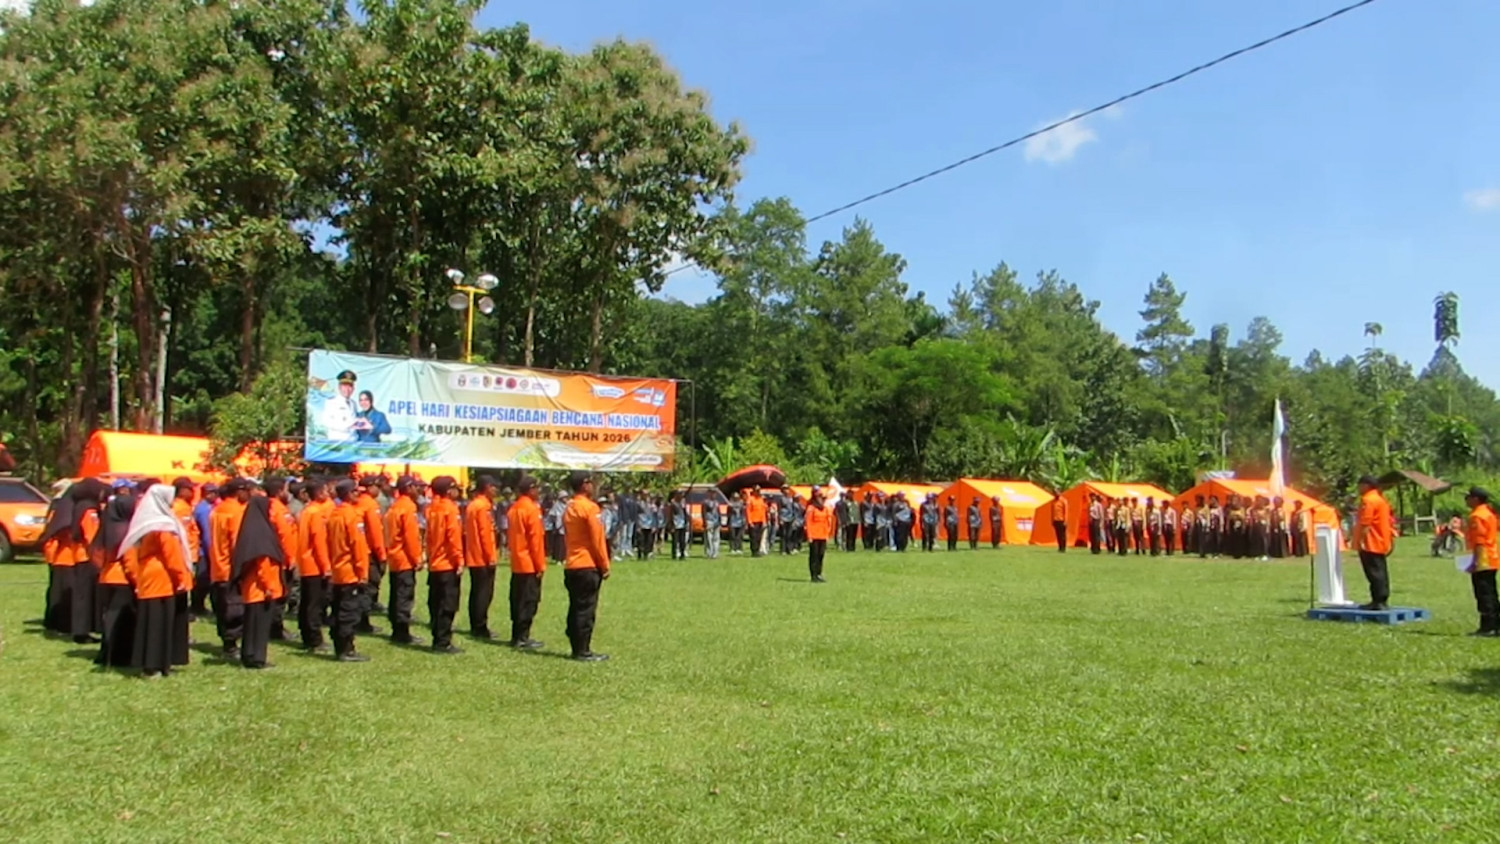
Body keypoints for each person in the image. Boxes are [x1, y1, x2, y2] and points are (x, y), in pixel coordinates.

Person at [118, 484, 194, 678]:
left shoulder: (145, 522)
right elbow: (172, 555)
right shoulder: (163, 525)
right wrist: (181, 577)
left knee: (149, 620)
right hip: (162, 577)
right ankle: (155, 665)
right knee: (159, 622)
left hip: (147, 576)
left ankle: (150, 664)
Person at [234, 496, 293, 670]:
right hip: (262, 589)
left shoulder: (250, 529)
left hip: (251, 588)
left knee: (251, 624)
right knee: (260, 626)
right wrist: (269, 587)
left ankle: (248, 655)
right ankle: (258, 658)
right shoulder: (262, 533)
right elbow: (263, 563)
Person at [562, 472, 610, 661]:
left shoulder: (570, 507)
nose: (593, 486)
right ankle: (583, 650)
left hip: (572, 564)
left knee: (575, 606)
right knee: (586, 609)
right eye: (591, 482)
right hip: (587, 564)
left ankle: (576, 644)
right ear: (584, 485)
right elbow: (597, 540)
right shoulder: (590, 508)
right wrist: (604, 565)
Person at [327, 479, 372, 662]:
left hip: (337, 569)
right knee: (348, 611)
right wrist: (362, 572)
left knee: (338, 610)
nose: (359, 496)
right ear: (348, 494)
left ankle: (340, 646)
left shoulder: (333, 514)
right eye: (356, 492)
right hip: (349, 571)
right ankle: (346, 649)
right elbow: (358, 546)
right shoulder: (352, 516)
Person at [95, 491, 140, 668]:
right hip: (123, 580)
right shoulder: (125, 531)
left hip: (106, 578)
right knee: (122, 621)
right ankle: (119, 657)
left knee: (110, 618)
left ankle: (106, 653)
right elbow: (129, 561)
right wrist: (137, 582)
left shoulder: (107, 528)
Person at [210, 478, 252, 660]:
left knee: (222, 607)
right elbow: (237, 542)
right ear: (239, 491)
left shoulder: (217, 510)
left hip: (217, 567)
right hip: (231, 567)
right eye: (247, 490)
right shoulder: (236, 512)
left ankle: (227, 643)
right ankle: (231, 645)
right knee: (234, 607)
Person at [425, 476, 465, 654]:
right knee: (448, 604)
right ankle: (443, 641)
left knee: (435, 603)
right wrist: (459, 560)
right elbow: (453, 537)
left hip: (435, 563)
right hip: (447, 563)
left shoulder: (432, 508)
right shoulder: (450, 509)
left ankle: (437, 638)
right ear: (449, 491)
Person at [384, 476, 425, 645]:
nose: (420, 490)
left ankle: (397, 628)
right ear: (408, 488)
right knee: (404, 595)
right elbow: (411, 537)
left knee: (396, 594)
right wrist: (417, 558)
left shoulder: (394, 506)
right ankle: (402, 632)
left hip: (394, 556)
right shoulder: (408, 508)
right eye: (416, 486)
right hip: (404, 558)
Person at [507, 475, 547, 650]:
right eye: (537, 488)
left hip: (517, 561)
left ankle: (517, 635)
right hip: (529, 563)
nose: (538, 492)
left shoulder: (514, 508)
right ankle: (522, 637)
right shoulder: (531, 510)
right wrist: (540, 565)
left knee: (517, 600)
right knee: (529, 601)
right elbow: (535, 541)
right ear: (531, 489)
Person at [296, 479, 334, 652]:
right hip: (314, 564)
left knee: (306, 602)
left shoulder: (306, 511)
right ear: (319, 493)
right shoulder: (316, 513)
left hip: (305, 562)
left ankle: (307, 635)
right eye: (325, 491)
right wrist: (326, 566)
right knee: (314, 604)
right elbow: (318, 542)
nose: (327, 493)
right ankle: (314, 639)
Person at [463, 475, 499, 639]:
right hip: (482, 557)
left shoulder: (472, 505)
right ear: (487, 487)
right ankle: (480, 627)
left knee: (476, 592)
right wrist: (490, 557)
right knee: (484, 593)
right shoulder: (483, 506)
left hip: (473, 555)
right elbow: (485, 534)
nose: (496, 490)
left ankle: (475, 624)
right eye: (494, 487)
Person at [263, 478, 299, 642]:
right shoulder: (278, 509)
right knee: (280, 595)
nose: (288, 493)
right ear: (279, 491)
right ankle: (275, 629)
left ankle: (273, 627)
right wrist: (291, 558)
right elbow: (285, 536)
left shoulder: (266, 507)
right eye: (286, 489)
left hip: (272, 556)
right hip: (282, 559)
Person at [1353, 475, 1394, 611]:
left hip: (1371, 541)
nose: (1358, 488)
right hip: (1381, 540)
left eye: (1360, 485)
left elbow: (1366, 522)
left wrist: (1361, 540)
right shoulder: (1381, 499)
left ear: (1366, 485)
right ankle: (1381, 599)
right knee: (1380, 570)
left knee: (1373, 572)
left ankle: (1378, 601)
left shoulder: (1368, 500)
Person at [1464, 487, 1499, 637]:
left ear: (1476, 499)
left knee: (1484, 594)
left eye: (1468, 497)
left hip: (1483, 559)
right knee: (1491, 593)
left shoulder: (1477, 516)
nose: (1466, 500)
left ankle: (1488, 627)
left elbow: (1480, 542)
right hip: (1493, 557)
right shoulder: (1489, 513)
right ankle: (1496, 625)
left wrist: (1475, 562)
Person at [355, 475, 388, 631]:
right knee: (369, 587)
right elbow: (375, 533)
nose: (379, 490)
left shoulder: (356, 502)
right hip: (369, 552)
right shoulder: (370, 505)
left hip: (358, 551)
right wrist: (381, 554)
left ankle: (360, 619)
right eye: (377, 486)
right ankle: (363, 622)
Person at [190, 482, 218, 617]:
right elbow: (207, 534)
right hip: (204, 551)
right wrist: (211, 552)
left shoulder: (207, 507)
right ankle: (197, 606)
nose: (215, 495)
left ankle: (198, 606)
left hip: (204, 550)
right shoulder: (204, 510)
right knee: (203, 581)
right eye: (212, 492)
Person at [319, 369, 360, 441]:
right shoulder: (331, 402)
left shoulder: (353, 403)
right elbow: (326, 421)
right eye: (345, 386)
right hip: (337, 442)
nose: (347, 389)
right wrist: (345, 426)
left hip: (353, 442)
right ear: (339, 387)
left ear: (353, 388)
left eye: (350, 386)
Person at [806, 488, 834, 583]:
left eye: (822, 498)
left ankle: (819, 573)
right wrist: (809, 535)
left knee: (821, 555)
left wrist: (827, 534)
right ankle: (813, 575)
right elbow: (808, 522)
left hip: (823, 535)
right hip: (814, 536)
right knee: (814, 555)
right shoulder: (811, 508)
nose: (821, 499)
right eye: (819, 497)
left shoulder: (825, 509)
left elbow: (828, 522)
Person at [746, 488, 768, 558]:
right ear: (754, 491)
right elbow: (748, 511)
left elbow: (763, 511)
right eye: (757, 491)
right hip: (753, 521)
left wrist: (764, 521)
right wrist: (750, 522)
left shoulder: (761, 499)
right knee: (753, 537)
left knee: (759, 537)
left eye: (759, 491)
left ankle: (758, 550)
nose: (758, 492)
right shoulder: (750, 499)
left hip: (760, 521)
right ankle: (754, 551)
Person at [669, 491, 689, 560]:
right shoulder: (673, 503)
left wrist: (686, 522)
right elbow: (670, 514)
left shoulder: (683, 503)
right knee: (675, 540)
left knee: (682, 540)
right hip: (675, 523)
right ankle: (674, 554)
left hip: (682, 523)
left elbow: (685, 512)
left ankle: (682, 554)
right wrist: (671, 524)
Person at [703, 494, 723, 559]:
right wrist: (705, 521)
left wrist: (720, 521)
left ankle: (715, 552)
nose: (714, 495)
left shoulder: (717, 502)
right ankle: (709, 552)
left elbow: (719, 512)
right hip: (709, 521)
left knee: (716, 538)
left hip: (716, 522)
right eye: (712, 493)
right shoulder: (706, 502)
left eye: (715, 493)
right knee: (709, 537)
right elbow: (703, 512)